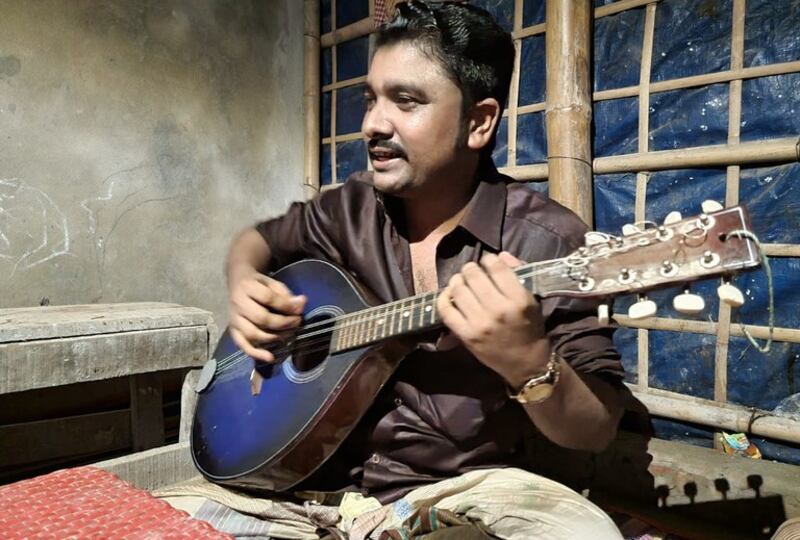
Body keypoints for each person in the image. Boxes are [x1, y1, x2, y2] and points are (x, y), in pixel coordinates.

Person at [224, 1, 627, 538]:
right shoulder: (350, 208)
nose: (371, 124)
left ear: (479, 122)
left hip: (451, 496)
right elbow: (255, 241)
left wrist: (530, 363)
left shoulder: (549, 243)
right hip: (303, 482)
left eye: (405, 101)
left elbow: (596, 430)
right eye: (371, 99)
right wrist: (244, 283)